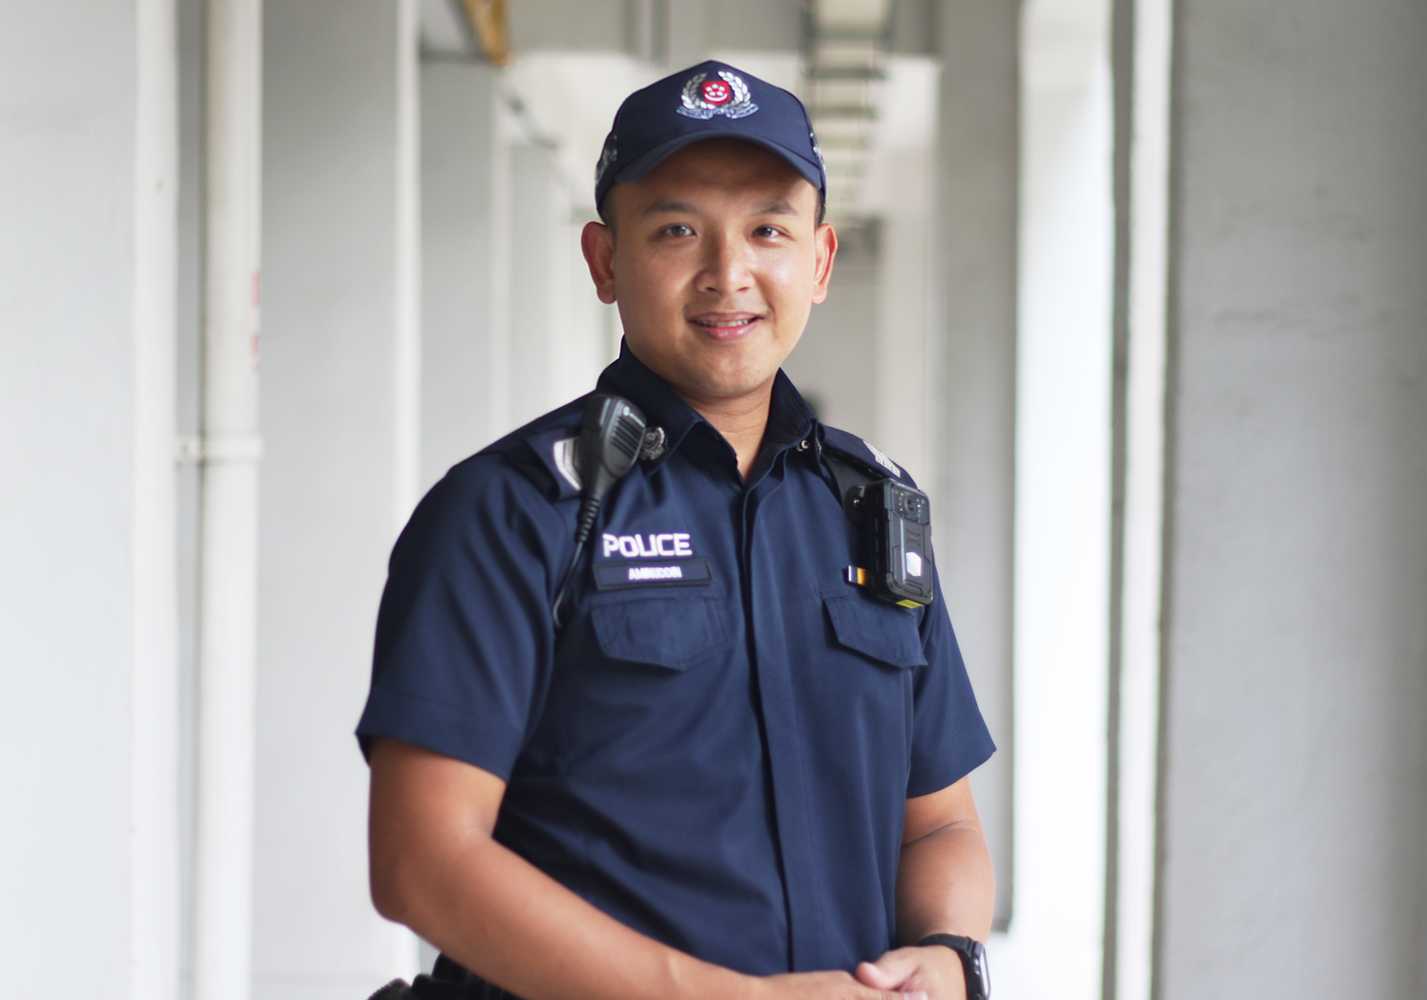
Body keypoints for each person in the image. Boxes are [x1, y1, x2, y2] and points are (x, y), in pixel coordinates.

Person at [356, 60, 996, 1000]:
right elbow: (421, 861)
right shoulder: (512, 512)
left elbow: (939, 824)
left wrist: (946, 955)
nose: (727, 274)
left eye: (768, 230)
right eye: (677, 230)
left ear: (817, 263)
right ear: (606, 260)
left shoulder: (872, 513)